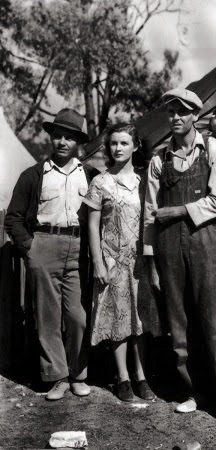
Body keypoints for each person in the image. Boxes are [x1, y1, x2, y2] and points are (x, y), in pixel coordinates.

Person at [143, 88, 216, 427]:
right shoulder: (159, 160)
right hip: (168, 246)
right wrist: (151, 260)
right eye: (171, 112)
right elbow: (149, 214)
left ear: (196, 115)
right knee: (179, 325)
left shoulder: (215, 149)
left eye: (183, 112)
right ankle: (193, 392)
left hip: (206, 243)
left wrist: (177, 211)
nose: (176, 118)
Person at [6, 108, 97, 400]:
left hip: (79, 248)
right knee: (48, 316)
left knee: (78, 316)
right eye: (57, 136)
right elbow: (13, 218)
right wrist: (30, 248)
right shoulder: (34, 175)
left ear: (78, 142)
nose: (62, 142)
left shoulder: (91, 175)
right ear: (51, 138)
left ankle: (77, 373)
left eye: (69, 138)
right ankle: (58, 377)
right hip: (44, 245)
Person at [84, 123, 162, 402]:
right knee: (118, 319)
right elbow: (92, 226)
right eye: (114, 143)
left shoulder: (144, 182)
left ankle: (141, 377)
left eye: (124, 143)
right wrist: (98, 262)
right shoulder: (100, 182)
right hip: (113, 259)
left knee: (140, 319)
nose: (118, 148)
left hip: (140, 260)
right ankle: (123, 378)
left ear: (136, 146)